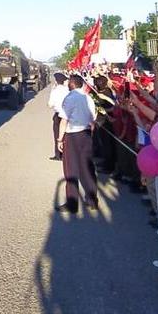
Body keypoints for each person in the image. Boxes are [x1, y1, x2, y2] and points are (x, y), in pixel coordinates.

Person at [55, 74, 100, 214]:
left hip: (73, 135)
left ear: (72, 84)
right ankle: (92, 200)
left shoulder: (70, 98)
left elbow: (64, 120)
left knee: (71, 170)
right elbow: (93, 118)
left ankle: (72, 203)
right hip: (85, 134)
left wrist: (59, 139)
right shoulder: (88, 98)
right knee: (87, 168)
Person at [46, 72, 68, 160]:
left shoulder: (55, 91)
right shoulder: (68, 90)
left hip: (58, 115)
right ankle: (66, 154)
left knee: (57, 135)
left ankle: (58, 155)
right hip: (67, 114)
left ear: (56, 81)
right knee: (66, 134)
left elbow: (50, 105)